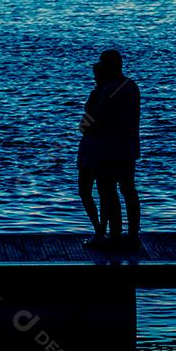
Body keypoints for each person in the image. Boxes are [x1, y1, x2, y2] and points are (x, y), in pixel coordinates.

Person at [90, 49, 142, 251]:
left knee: (107, 190)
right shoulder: (131, 86)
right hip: (129, 147)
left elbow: (93, 119)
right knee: (128, 189)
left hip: (109, 149)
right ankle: (133, 234)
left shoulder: (108, 89)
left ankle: (115, 234)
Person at [78, 61, 111, 249]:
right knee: (103, 191)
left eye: (96, 75)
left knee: (86, 191)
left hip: (92, 149)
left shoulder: (98, 96)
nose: (94, 79)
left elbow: (85, 125)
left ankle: (99, 231)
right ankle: (101, 230)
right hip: (103, 149)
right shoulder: (108, 94)